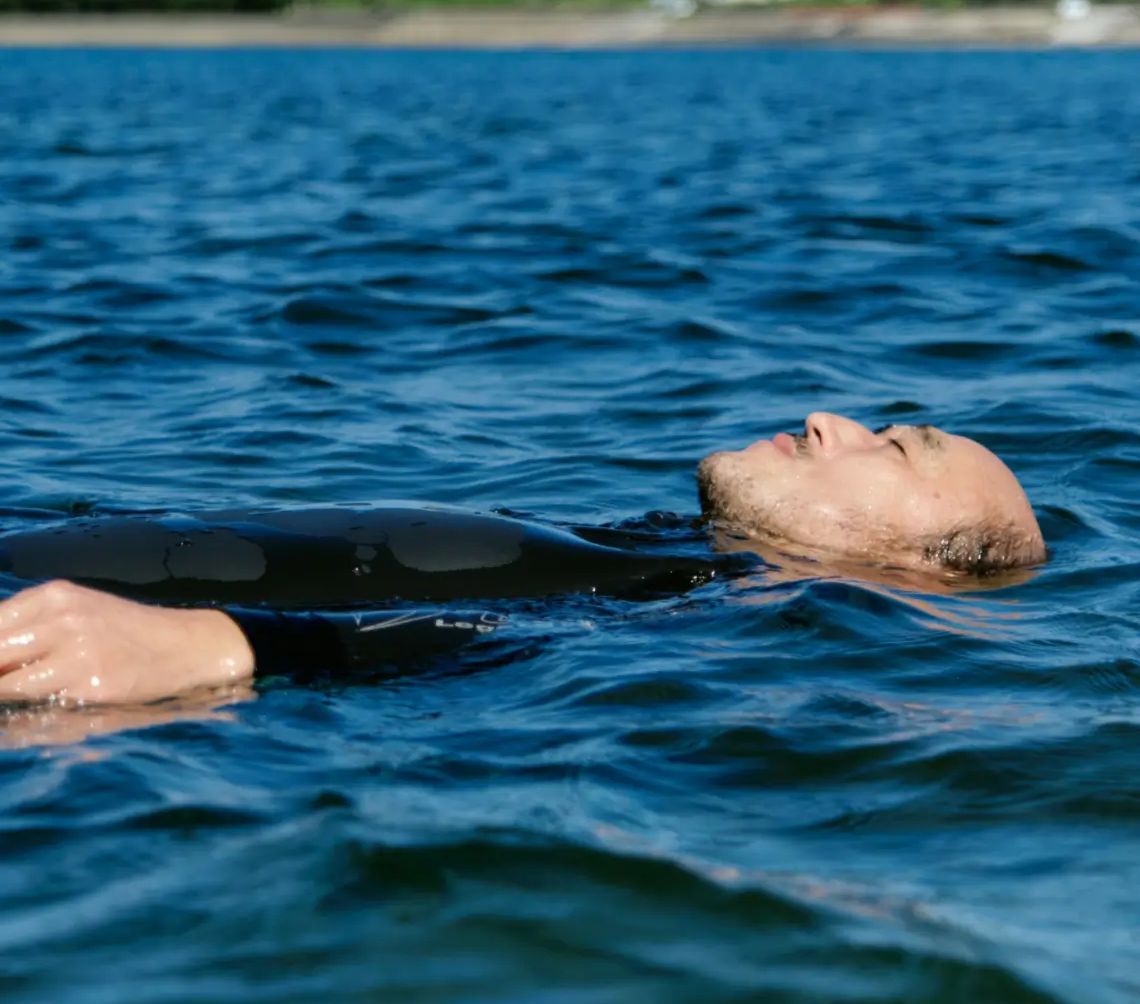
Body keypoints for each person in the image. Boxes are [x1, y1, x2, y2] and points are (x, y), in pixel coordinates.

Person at [0, 413, 1044, 707]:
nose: (830, 418)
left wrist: (221, 647)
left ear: (918, 569)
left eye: (898, 448)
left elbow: (491, 640)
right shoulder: (664, 550)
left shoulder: (717, 604)